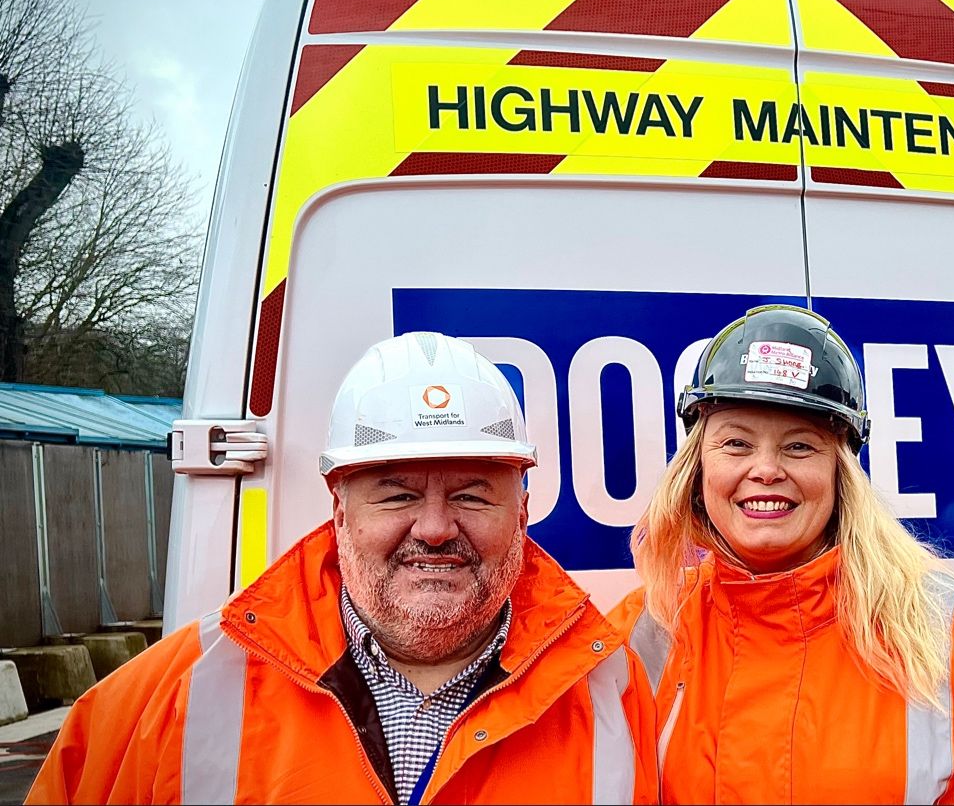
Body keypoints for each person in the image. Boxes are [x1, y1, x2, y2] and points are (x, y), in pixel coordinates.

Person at [29, 332, 657, 805]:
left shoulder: (610, 688)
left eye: (471, 493)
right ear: (339, 509)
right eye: (396, 493)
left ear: (521, 512)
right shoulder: (171, 696)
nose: (435, 528)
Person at [612, 305, 954, 805]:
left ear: (841, 474)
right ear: (698, 469)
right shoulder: (644, 628)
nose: (766, 469)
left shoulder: (941, 625)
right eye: (737, 443)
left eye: (799, 447)